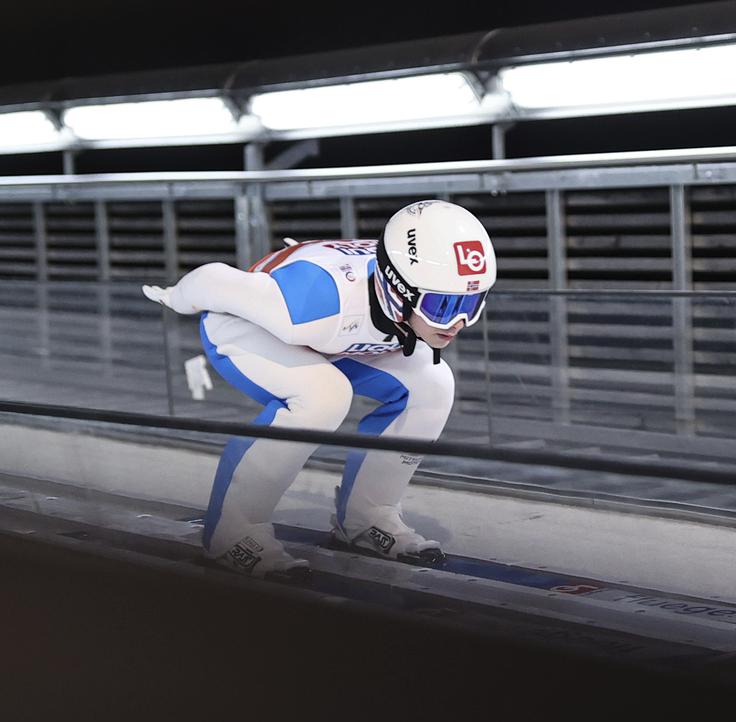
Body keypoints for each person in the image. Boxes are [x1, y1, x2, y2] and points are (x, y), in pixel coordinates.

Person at [143, 199, 496, 582]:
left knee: (434, 384)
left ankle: (367, 518)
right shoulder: (314, 304)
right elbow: (215, 281)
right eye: (444, 306)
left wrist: (435, 309)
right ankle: (233, 533)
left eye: (471, 304)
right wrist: (174, 295)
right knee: (324, 396)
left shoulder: (402, 291)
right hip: (249, 325)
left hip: (336, 334)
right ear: (399, 290)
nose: (458, 323)